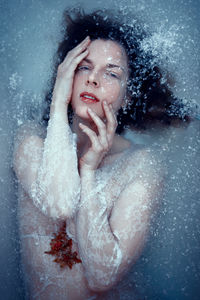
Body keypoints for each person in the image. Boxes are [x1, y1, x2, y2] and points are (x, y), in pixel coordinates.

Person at [13, 8, 189, 300]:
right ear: (66, 73)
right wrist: (58, 104)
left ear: (128, 95)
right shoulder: (30, 141)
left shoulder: (143, 166)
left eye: (111, 73)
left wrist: (90, 171)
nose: (93, 79)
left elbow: (101, 276)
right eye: (84, 66)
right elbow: (60, 204)